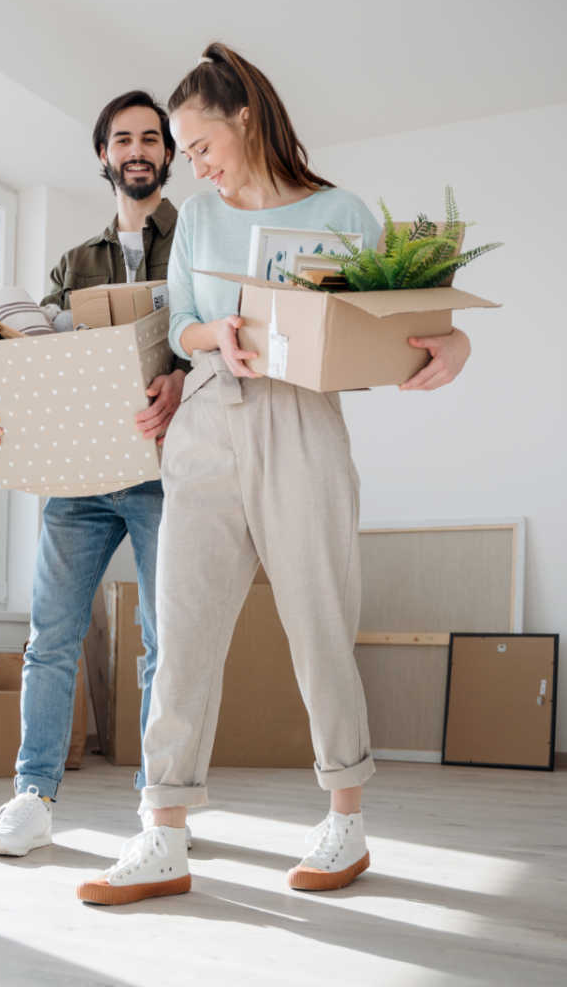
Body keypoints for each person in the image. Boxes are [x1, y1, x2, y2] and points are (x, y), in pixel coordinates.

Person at [77, 44, 473, 905]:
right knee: (181, 636)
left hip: (303, 422)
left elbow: (407, 317)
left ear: (246, 118)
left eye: (204, 145)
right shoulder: (199, 224)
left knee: (319, 623)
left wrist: (456, 340)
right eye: (188, 154)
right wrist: (210, 337)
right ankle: (163, 833)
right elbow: (180, 322)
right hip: (208, 422)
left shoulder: (343, 211)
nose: (199, 166)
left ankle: (346, 818)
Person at [0, 90, 191, 856]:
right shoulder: (74, 263)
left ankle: (161, 807)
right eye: (122, 139)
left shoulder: (196, 240)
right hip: (80, 477)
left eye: (150, 138)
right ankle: (31, 796)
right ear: (104, 155)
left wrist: (182, 380)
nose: (137, 149)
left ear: (168, 152)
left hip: (166, 471)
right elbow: (45, 359)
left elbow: (223, 340)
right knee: (52, 637)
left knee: (168, 641)